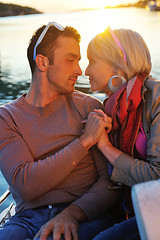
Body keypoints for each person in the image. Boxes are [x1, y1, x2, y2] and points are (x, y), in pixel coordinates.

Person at [0, 22, 119, 240]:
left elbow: (110, 183)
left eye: (79, 61)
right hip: (27, 220)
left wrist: (72, 214)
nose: (79, 70)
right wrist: (84, 141)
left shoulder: (88, 107)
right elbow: (25, 185)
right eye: (70, 60)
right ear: (42, 62)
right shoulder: (6, 117)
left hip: (84, 213)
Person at [84, 27, 160, 239]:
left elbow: (157, 177)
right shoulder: (111, 108)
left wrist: (105, 146)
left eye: (92, 61)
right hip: (129, 207)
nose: (85, 71)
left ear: (116, 61)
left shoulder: (156, 98)